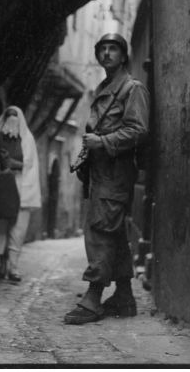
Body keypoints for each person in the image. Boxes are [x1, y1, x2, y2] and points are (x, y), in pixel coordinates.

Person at [64, 33, 149, 325]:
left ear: (124, 55)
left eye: (114, 49)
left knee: (100, 230)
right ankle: (124, 296)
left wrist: (103, 142)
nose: (107, 54)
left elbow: (138, 130)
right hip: (101, 173)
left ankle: (93, 297)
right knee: (112, 231)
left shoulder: (131, 89)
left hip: (116, 173)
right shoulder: (105, 87)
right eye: (103, 49)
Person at [0, 106, 41, 282]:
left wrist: (13, 163)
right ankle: (1, 266)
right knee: (0, 228)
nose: (12, 119)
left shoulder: (27, 139)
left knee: (18, 231)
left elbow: (30, 164)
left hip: (22, 186)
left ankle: (14, 268)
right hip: (1, 184)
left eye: (16, 116)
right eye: (9, 116)